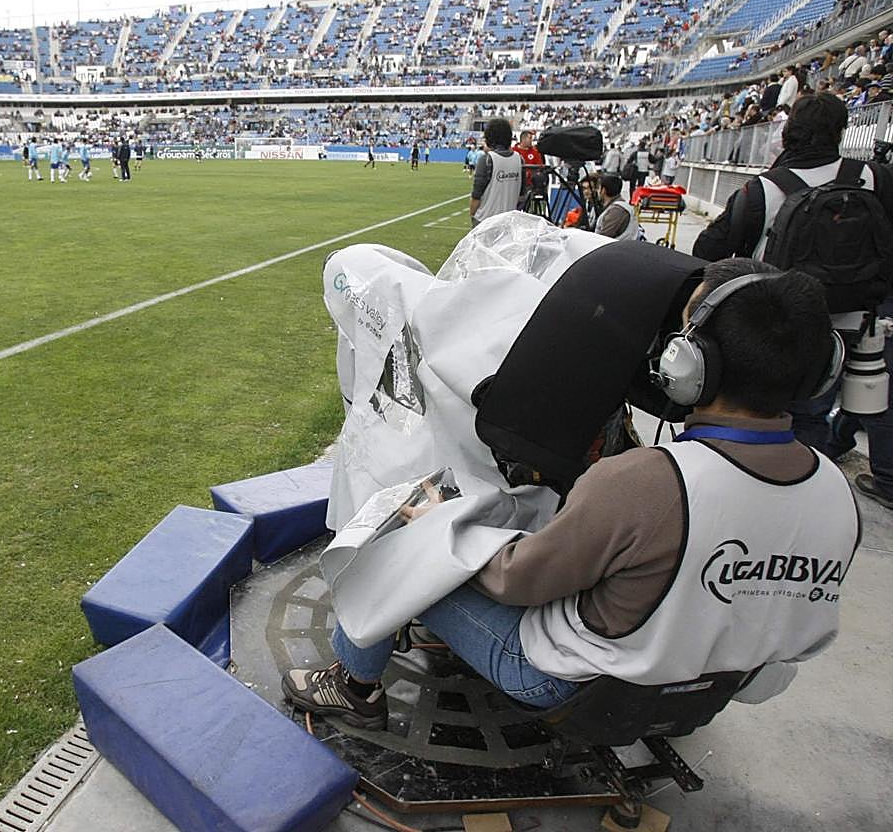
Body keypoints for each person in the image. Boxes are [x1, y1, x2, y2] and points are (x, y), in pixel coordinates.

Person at [283, 259, 857, 729]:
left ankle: (353, 687)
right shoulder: (837, 494)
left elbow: (517, 580)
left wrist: (437, 521)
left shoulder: (646, 480)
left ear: (692, 366)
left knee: (400, 541)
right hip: (712, 691)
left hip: (574, 688)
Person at [693, 93, 893, 508]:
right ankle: (808, 485)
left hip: (775, 326)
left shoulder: (763, 190)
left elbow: (708, 249)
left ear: (787, 133)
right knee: (817, 413)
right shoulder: (874, 178)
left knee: (766, 412)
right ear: (841, 133)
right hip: (855, 321)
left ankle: (756, 491)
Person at [469, 119, 525, 228]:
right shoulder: (520, 159)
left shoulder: (486, 160)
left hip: (486, 221)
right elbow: (521, 195)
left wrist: (472, 214)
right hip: (509, 222)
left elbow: (476, 195)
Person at [592, 174, 638, 240]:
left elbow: (602, 237)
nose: (597, 191)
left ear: (603, 190)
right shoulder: (615, 207)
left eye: (598, 188)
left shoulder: (617, 211)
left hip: (618, 248)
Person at [511, 129, 545, 194]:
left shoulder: (535, 152)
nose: (531, 140)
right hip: (514, 184)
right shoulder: (513, 151)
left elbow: (539, 168)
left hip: (529, 185)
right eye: (530, 138)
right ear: (523, 139)